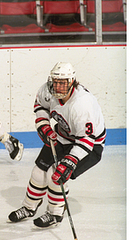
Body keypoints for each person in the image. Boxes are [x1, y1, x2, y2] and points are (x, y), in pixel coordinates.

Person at [8, 62, 106, 228]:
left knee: (56, 175)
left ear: (72, 81)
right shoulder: (47, 90)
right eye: (56, 81)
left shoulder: (82, 105)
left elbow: (87, 140)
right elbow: (40, 106)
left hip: (89, 145)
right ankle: (29, 207)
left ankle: (55, 213)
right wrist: (43, 125)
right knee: (39, 171)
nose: (58, 86)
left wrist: (69, 161)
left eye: (63, 83)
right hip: (62, 136)